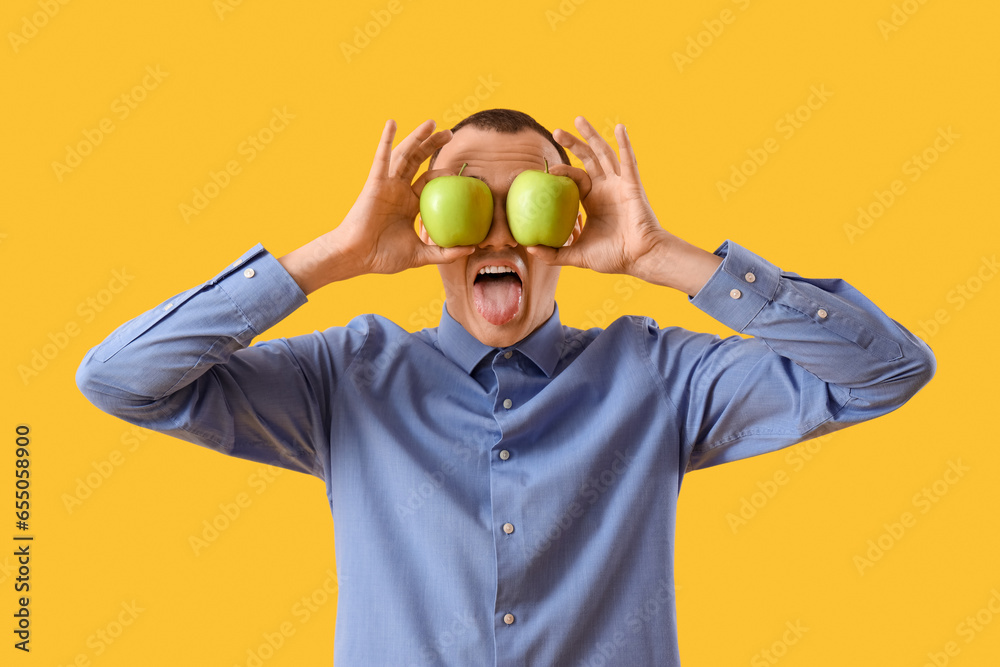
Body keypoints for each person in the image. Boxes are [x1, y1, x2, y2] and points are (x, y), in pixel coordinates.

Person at [76, 108, 935, 666]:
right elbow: (120, 379)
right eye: (465, 202)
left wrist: (663, 257)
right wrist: (330, 259)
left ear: (566, 222)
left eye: (524, 203)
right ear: (427, 226)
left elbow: (887, 371)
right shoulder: (347, 378)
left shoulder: (660, 378)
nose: (495, 231)